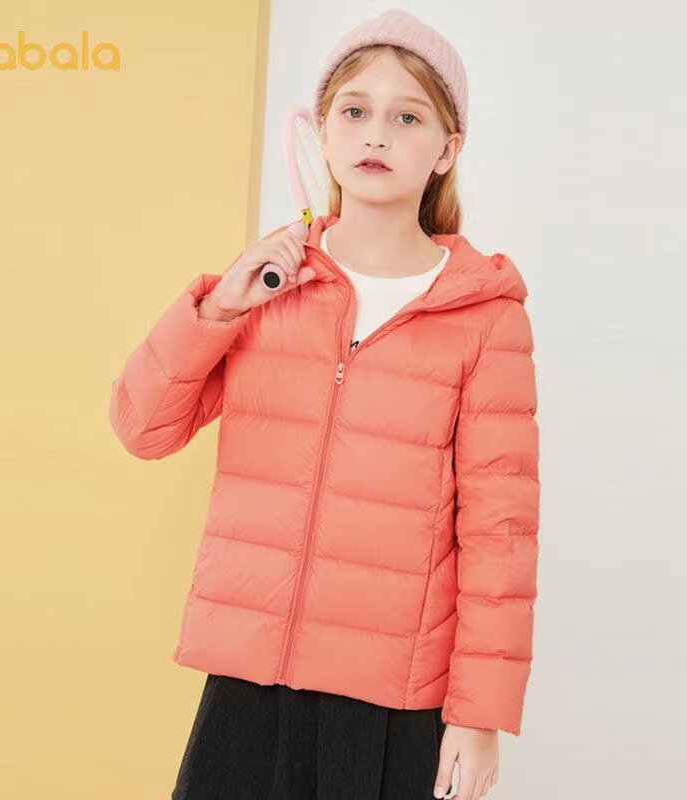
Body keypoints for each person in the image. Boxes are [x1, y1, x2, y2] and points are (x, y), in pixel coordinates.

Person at [108, 7, 540, 800]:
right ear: (324, 135)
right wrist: (220, 307)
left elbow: (499, 535)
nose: (376, 135)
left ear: (447, 150)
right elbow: (142, 428)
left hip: (388, 702)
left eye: (407, 117)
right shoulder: (270, 285)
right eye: (355, 111)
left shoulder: (485, 315)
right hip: (246, 683)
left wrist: (479, 717)